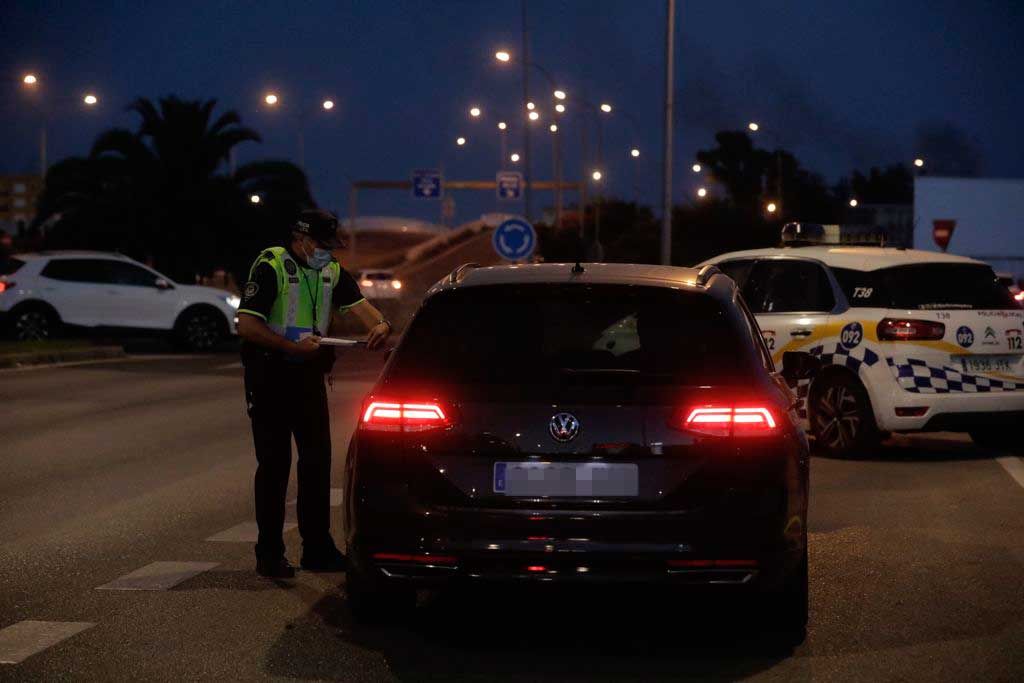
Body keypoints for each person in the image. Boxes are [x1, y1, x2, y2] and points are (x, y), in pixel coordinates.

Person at [236, 208, 392, 578]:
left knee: (317, 463)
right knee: (274, 466)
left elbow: (361, 307)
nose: (327, 253)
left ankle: (317, 549)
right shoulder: (271, 266)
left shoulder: (329, 270)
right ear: (302, 239)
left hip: (308, 377)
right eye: (322, 246)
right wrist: (290, 347)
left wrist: (382, 325)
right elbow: (246, 324)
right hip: (269, 375)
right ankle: (269, 553)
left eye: (330, 247)